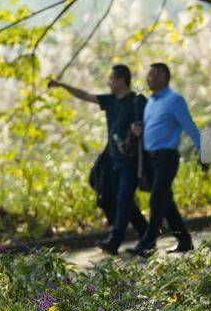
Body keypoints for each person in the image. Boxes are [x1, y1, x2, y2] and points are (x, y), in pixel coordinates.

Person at [48, 65, 149, 254]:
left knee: (123, 200)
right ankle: (146, 235)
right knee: (124, 200)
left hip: (132, 161)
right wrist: (62, 85)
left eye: (111, 78)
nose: (108, 82)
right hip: (113, 160)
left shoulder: (137, 101)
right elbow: (85, 95)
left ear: (120, 80)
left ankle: (114, 241)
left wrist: (140, 127)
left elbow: (150, 121)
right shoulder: (110, 100)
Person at [126, 62, 202, 256]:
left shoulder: (174, 100)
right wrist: (138, 129)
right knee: (166, 202)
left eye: (151, 75)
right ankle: (184, 241)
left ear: (162, 76)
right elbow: (150, 127)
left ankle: (147, 241)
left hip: (167, 157)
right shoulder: (151, 101)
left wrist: (204, 151)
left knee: (157, 199)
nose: (147, 78)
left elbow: (190, 127)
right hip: (151, 159)